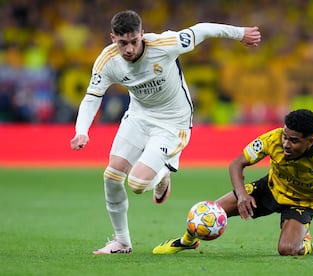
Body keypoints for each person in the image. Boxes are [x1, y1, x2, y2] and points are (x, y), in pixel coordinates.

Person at [70, 10, 261, 254]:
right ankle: (122, 242)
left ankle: (162, 176)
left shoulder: (164, 44)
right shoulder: (107, 61)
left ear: (142, 34)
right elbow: (92, 97)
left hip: (173, 122)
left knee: (137, 184)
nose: (128, 49)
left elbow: (202, 30)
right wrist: (82, 130)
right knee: (111, 176)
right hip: (138, 117)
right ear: (112, 38)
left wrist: (240, 33)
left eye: (133, 41)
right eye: (122, 43)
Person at [153, 109, 313, 256]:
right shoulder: (273, 139)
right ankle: (187, 241)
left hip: (301, 203)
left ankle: (305, 243)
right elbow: (236, 164)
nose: (286, 144)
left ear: (310, 141)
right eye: (285, 136)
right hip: (270, 189)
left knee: (287, 250)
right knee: (210, 211)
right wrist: (242, 195)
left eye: (294, 140)